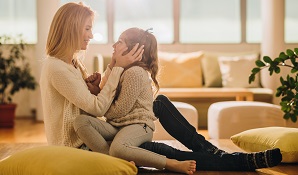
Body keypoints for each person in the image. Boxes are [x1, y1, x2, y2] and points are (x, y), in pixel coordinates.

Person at [40, 2, 282, 173]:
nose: (91, 36)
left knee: (160, 103)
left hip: (99, 134)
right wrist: (114, 70)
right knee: (166, 152)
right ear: (71, 28)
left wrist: (95, 85)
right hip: (84, 145)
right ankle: (236, 162)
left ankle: (211, 150)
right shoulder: (57, 68)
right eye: (87, 28)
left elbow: (93, 103)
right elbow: (99, 109)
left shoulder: (73, 63)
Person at [74, 27, 197, 174]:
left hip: (138, 126)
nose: (114, 46)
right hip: (118, 126)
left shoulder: (135, 73)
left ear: (133, 49)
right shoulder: (121, 71)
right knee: (81, 121)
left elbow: (117, 111)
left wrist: (101, 90)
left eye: (119, 42)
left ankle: (170, 163)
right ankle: (114, 161)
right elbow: (111, 102)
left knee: (118, 148)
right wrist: (98, 91)